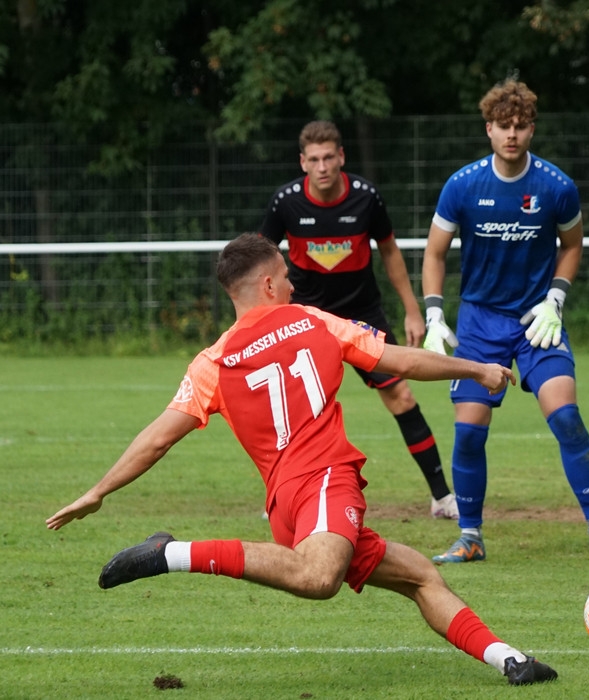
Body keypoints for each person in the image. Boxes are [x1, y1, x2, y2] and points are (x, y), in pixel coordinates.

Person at [45, 234, 557, 687]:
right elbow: (399, 360)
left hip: (287, 508)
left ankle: (510, 660)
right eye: (287, 276)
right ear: (268, 284)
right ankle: (172, 553)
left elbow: (157, 438)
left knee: (420, 575)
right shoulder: (314, 320)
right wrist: (476, 369)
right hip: (327, 481)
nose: (293, 285)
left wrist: (98, 491)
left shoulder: (212, 362)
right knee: (318, 578)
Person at [421, 78, 589, 565]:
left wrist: (555, 300)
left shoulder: (556, 187)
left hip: (536, 323)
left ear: (532, 130)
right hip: (479, 324)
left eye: (520, 126)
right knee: (469, 432)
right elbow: (434, 253)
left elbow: (573, 245)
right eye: (503, 126)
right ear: (488, 129)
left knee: (566, 417)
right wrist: (434, 313)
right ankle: (470, 537)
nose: (512, 134)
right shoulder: (462, 185)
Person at [259, 120, 458, 520]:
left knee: (402, 397)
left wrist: (412, 309)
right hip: (306, 319)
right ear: (302, 162)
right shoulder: (285, 202)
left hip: (362, 315)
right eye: (314, 159)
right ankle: (283, 497)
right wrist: (266, 314)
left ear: (341, 157)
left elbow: (390, 252)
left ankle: (441, 497)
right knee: (294, 411)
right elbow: (261, 259)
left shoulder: (366, 197)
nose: (322, 167)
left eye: (328, 157)